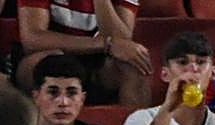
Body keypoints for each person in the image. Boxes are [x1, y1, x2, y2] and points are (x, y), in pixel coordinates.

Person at [16, 0, 151, 106]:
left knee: (135, 63)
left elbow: (123, 43)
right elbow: (33, 39)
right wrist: (105, 44)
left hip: (99, 62)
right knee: (49, 64)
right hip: (54, 54)